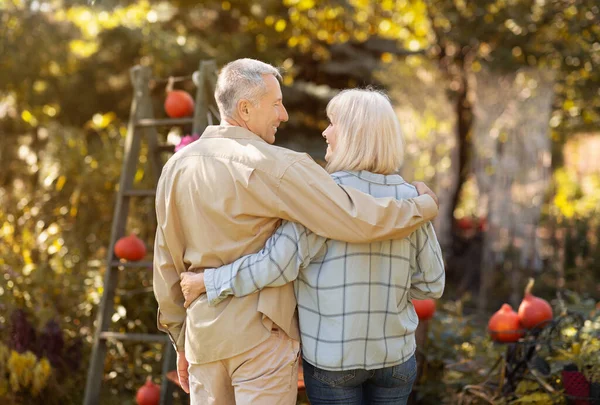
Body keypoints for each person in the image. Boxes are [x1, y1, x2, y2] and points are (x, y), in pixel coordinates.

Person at [153, 59, 439, 405]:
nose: (284, 114)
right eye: (276, 103)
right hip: (263, 339)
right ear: (245, 108)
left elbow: (167, 264)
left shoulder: (176, 167)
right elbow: (354, 218)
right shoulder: (278, 167)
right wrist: (421, 208)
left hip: (205, 340)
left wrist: (182, 338)